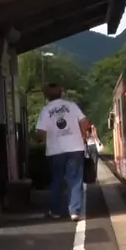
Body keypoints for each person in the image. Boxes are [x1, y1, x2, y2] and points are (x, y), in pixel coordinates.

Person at [35, 83, 91, 221]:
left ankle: (55, 211)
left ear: (47, 96)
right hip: (75, 148)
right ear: (61, 93)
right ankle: (75, 212)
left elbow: (40, 133)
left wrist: (40, 140)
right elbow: (85, 123)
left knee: (56, 181)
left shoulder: (46, 110)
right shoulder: (72, 106)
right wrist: (84, 135)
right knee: (75, 180)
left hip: (55, 151)